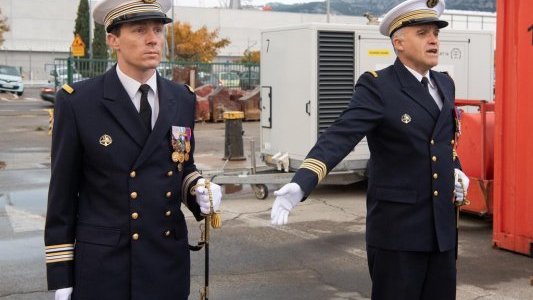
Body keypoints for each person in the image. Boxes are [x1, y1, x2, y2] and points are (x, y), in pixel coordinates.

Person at [270, 0, 469, 299]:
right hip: (398, 234)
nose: (433, 40)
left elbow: (443, 143)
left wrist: (456, 170)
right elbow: (340, 135)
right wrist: (302, 181)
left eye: (436, 34)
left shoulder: (444, 84)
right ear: (399, 43)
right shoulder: (379, 86)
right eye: (423, 33)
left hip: (442, 232)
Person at [44, 1, 222, 299]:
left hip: (166, 262)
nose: (153, 39)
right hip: (105, 268)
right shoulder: (79, 103)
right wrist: (61, 275)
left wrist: (197, 190)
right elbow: (62, 194)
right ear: (113, 40)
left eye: (158, 29)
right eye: (139, 30)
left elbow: (182, 165)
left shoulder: (182, 98)